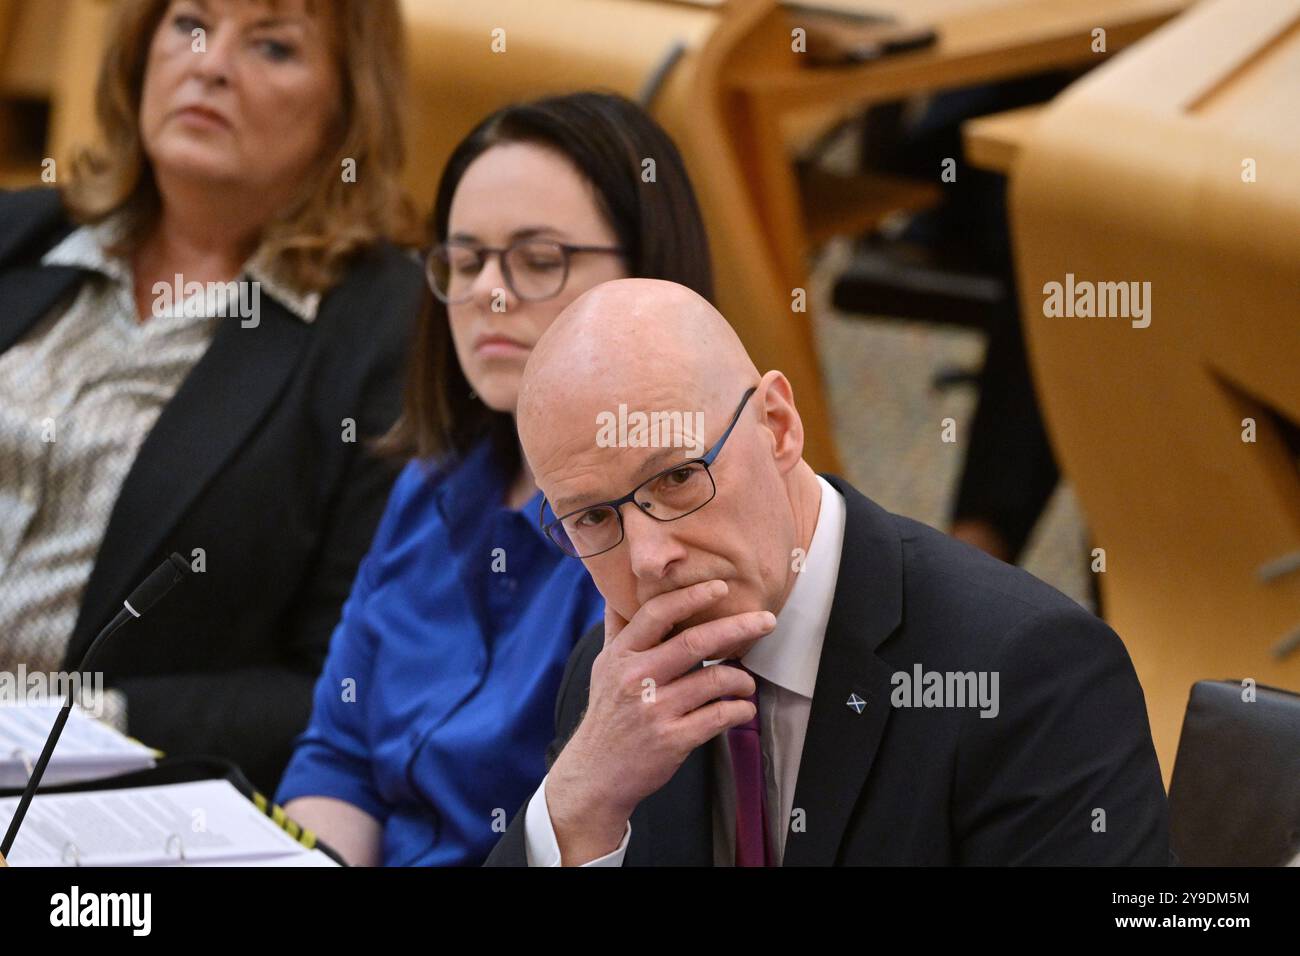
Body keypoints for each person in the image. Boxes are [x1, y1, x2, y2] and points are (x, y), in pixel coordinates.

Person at [485, 278, 1170, 866]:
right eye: (593, 518)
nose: (648, 558)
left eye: (677, 477)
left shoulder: (1027, 674)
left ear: (779, 425)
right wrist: (575, 809)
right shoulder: (612, 686)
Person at [276, 92, 715, 866]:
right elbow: (339, 760)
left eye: (539, 261)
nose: (488, 291)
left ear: (649, 274)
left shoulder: (671, 531)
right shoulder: (429, 485)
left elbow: (609, 826)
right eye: (465, 260)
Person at [0, 0, 422, 791]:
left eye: (273, 47)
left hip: (87, 792)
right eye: (190, 24)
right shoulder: (22, 233)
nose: (212, 64)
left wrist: (60, 727)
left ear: (347, 106)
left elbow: (338, 682)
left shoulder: (384, 334)